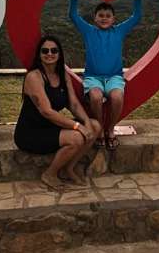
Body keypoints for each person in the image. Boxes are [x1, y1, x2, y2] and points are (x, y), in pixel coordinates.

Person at [14, 34, 102, 189]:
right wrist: (77, 126)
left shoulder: (62, 74)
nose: (49, 54)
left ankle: (70, 168)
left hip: (50, 127)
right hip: (31, 133)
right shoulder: (34, 77)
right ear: (39, 54)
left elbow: (73, 104)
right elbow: (47, 111)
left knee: (95, 126)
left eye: (54, 50)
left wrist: (87, 123)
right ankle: (50, 174)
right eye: (45, 51)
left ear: (59, 54)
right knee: (76, 138)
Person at [69, 0, 142, 149]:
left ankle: (110, 130)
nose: (104, 18)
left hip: (114, 77)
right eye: (100, 15)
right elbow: (73, 16)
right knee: (95, 97)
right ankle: (100, 129)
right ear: (94, 18)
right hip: (93, 77)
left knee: (116, 97)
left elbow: (136, 17)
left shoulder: (119, 31)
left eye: (108, 16)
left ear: (113, 19)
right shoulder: (89, 31)